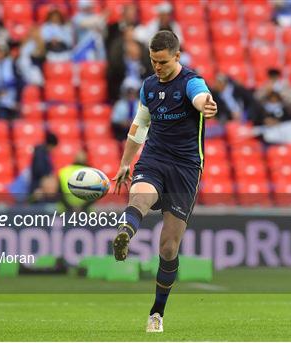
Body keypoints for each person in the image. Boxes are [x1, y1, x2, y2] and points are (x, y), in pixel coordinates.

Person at [111, 31, 217, 333]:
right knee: (139, 197)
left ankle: (157, 312)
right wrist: (124, 163)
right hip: (154, 159)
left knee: (169, 248)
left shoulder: (191, 82)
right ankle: (125, 233)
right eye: (153, 61)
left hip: (185, 169)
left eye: (162, 62)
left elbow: (201, 99)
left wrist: (207, 105)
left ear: (177, 57)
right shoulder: (148, 86)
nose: (157, 67)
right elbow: (140, 125)